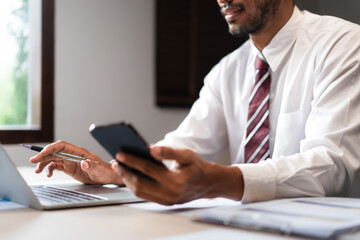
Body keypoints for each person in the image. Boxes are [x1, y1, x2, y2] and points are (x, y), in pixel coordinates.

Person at [30, 0, 360, 205]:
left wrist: (217, 181)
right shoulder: (227, 71)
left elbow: (332, 168)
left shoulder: (343, 46)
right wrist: (117, 171)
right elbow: (185, 147)